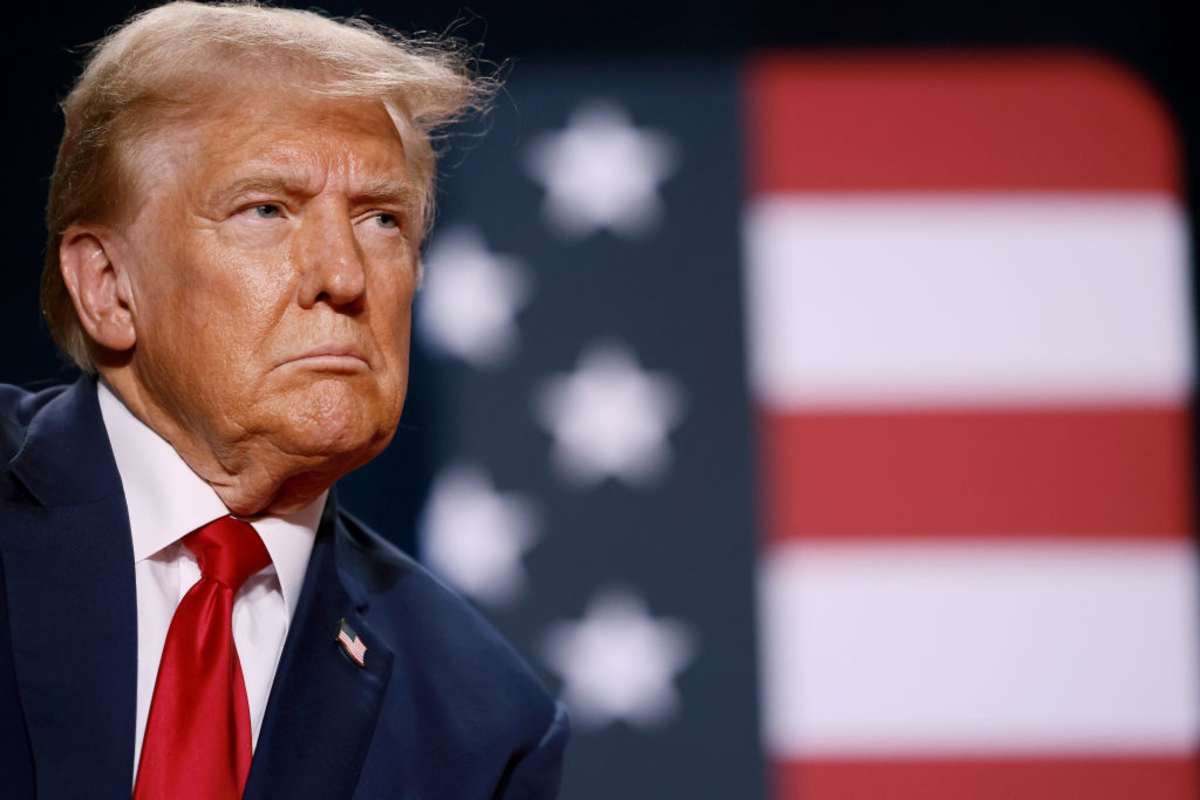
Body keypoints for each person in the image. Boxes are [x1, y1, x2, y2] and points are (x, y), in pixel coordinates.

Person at [0, 2, 568, 798]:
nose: (343, 276)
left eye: (381, 220)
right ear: (109, 288)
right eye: (267, 209)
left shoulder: (482, 723)